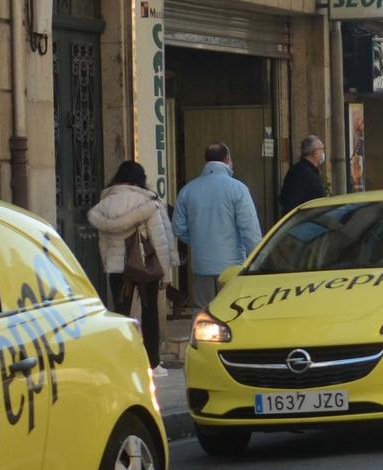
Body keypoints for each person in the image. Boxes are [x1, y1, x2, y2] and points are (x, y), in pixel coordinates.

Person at [89, 160, 179, 371]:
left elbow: (103, 242)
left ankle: (122, 362)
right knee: (150, 314)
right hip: (145, 265)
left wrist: (107, 264)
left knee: (120, 314)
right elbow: (160, 240)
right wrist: (166, 274)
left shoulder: (106, 203)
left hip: (117, 266)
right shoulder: (147, 202)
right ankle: (152, 363)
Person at [174, 143, 263, 308]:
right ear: (227, 159)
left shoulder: (188, 190)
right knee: (232, 310)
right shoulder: (238, 189)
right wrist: (257, 261)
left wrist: (200, 242)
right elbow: (250, 230)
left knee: (202, 312)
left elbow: (178, 227)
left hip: (201, 265)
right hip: (232, 265)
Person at [278, 135, 328, 214]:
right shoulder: (304, 174)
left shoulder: (298, 170)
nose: (323, 152)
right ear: (314, 153)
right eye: (321, 149)